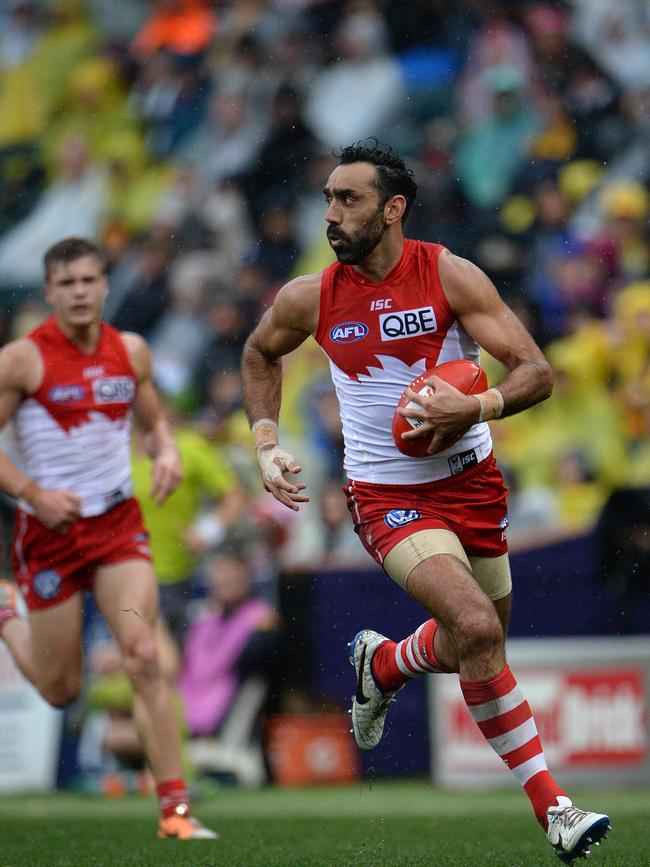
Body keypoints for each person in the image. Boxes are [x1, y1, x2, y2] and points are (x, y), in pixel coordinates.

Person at [241, 139, 612, 862]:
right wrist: (265, 441)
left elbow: (537, 370)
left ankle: (383, 667)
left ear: (393, 208)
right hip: (387, 496)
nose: (331, 215)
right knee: (474, 624)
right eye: (327, 199)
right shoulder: (311, 295)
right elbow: (261, 351)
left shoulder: (448, 274)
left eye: (348, 200)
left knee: (481, 641)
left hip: (473, 485)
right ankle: (556, 809)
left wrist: (476, 409)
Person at [0, 237, 216, 840]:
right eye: (66, 283)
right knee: (60, 689)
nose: (78, 292)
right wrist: (34, 494)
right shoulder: (22, 360)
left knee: (145, 655)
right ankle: (6, 616)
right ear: (49, 292)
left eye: (89, 280)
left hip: (117, 528)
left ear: (103, 284)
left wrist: (168, 452)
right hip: (49, 536)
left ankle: (175, 812)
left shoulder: (132, 351)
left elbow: (151, 423)